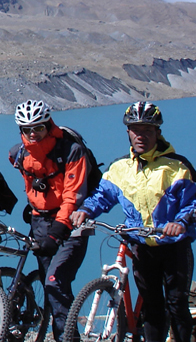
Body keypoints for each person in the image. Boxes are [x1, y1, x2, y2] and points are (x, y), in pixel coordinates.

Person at [70, 101, 196, 342]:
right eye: (135, 130)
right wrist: (85, 210)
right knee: (152, 307)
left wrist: (179, 222)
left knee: (177, 304)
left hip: (173, 246)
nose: (141, 136)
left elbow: (192, 203)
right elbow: (102, 196)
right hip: (140, 245)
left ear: (158, 133)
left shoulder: (177, 166)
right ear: (128, 132)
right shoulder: (120, 168)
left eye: (148, 130)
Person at [9, 100, 91, 339]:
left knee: (55, 281)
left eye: (38, 127)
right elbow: (31, 180)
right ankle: (61, 335)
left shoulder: (71, 151)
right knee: (50, 285)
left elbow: (73, 196)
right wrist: (33, 204)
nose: (33, 134)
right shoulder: (19, 153)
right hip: (40, 222)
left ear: (48, 125)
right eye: (27, 129)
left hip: (71, 224)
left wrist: (58, 230)